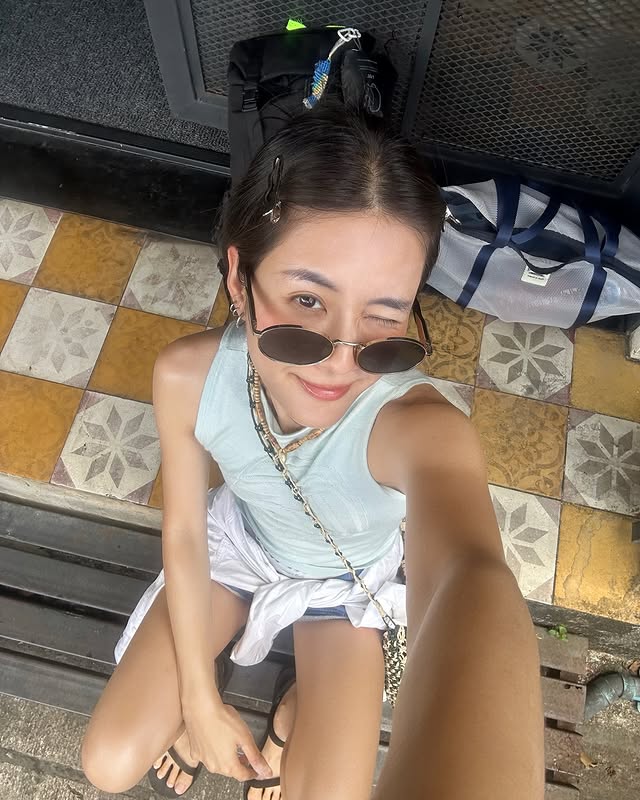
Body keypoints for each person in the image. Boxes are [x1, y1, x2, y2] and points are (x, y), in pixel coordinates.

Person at [81, 104, 544, 800]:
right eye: (305, 303)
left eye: (383, 319)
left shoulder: (417, 427)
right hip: (241, 550)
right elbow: (185, 531)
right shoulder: (188, 376)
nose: (340, 361)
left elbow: (472, 579)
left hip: (343, 589)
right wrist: (200, 702)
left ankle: (290, 714)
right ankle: (233, 684)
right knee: (109, 761)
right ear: (239, 280)